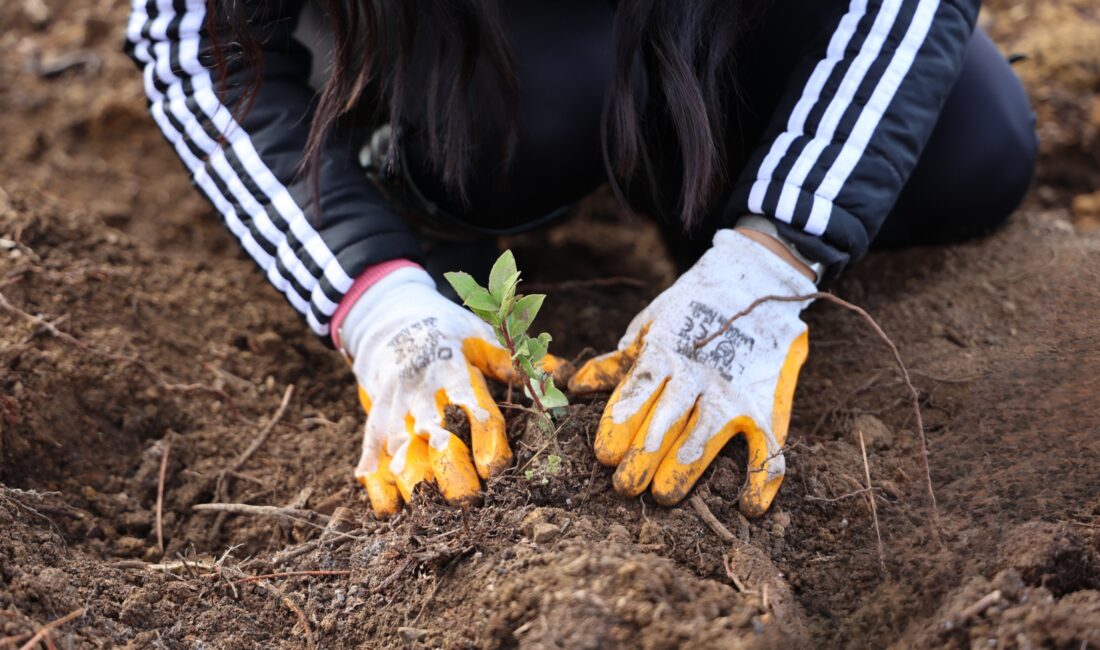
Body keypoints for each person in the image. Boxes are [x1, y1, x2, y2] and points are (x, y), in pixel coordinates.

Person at [124, 0, 1036, 518]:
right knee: (514, 118)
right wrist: (376, 297)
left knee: (968, 148)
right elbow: (185, 35)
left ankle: (696, 168)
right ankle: (411, 173)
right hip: (450, 47)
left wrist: (772, 254)